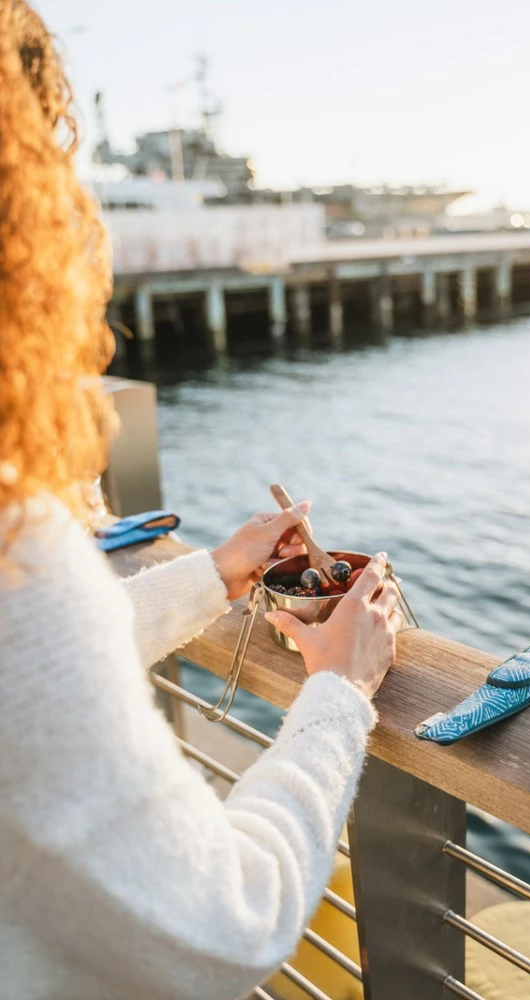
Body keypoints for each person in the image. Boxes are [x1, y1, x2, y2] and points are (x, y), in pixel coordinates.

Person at [0, 3, 402, 998]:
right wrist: (339, 696)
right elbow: (226, 926)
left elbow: (29, 661)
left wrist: (216, 575)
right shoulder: (20, 544)